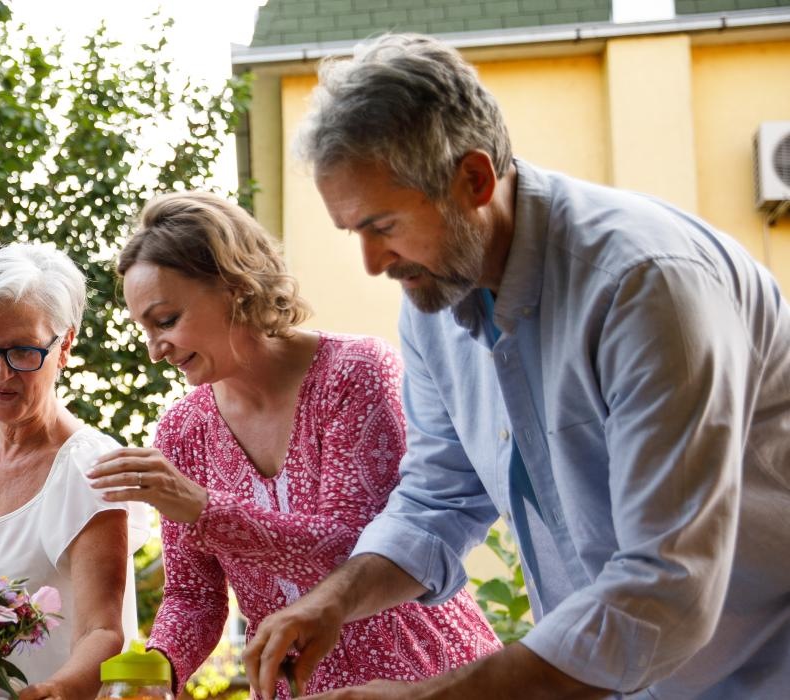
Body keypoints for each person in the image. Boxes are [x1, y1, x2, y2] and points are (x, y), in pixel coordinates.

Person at [244, 33, 790, 699]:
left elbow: (666, 583)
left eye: (382, 226)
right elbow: (436, 499)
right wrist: (332, 600)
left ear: (474, 179)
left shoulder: (646, 285)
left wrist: (427, 696)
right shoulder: (432, 303)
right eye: (353, 231)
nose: (372, 263)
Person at [89, 191, 499, 695]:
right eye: (144, 330)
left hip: (426, 677)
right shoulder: (182, 432)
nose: (155, 351)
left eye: (166, 320)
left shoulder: (355, 374)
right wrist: (161, 669)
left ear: (233, 286)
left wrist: (205, 509)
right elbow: (193, 595)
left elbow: (360, 556)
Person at [0, 243, 149, 698]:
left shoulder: (89, 469)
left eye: (22, 351)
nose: (0, 375)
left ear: (65, 346)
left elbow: (103, 632)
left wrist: (58, 689)